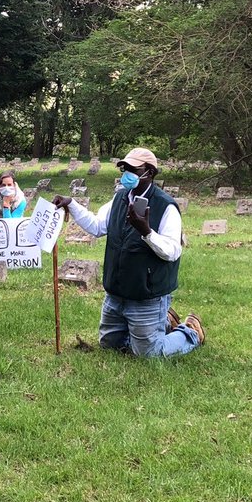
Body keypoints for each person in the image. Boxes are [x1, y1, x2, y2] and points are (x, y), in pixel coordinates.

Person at [52, 147, 204, 358]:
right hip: (117, 291)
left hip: (147, 294)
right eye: (124, 168)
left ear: (149, 173)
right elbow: (97, 227)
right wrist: (72, 204)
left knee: (149, 353)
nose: (126, 174)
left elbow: (172, 251)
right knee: (109, 345)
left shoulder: (165, 206)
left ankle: (190, 332)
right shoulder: (119, 198)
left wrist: (146, 232)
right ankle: (161, 324)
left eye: (133, 169)